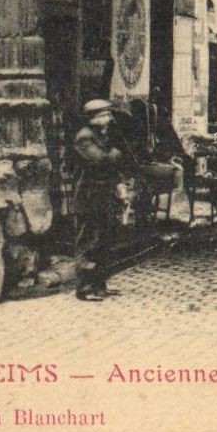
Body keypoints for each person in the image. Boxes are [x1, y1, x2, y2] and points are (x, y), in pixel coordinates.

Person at [73, 99, 128, 301]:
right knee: (88, 242)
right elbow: (100, 161)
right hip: (88, 198)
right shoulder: (84, 138)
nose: (109, 119)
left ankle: (99, 285)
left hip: (104, 197)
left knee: (104, 242)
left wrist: (119, 182)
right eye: (105, 115)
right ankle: (85, 288)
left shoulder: (100, 136)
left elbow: (113, 168)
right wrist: (115, 155)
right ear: (93, 118)